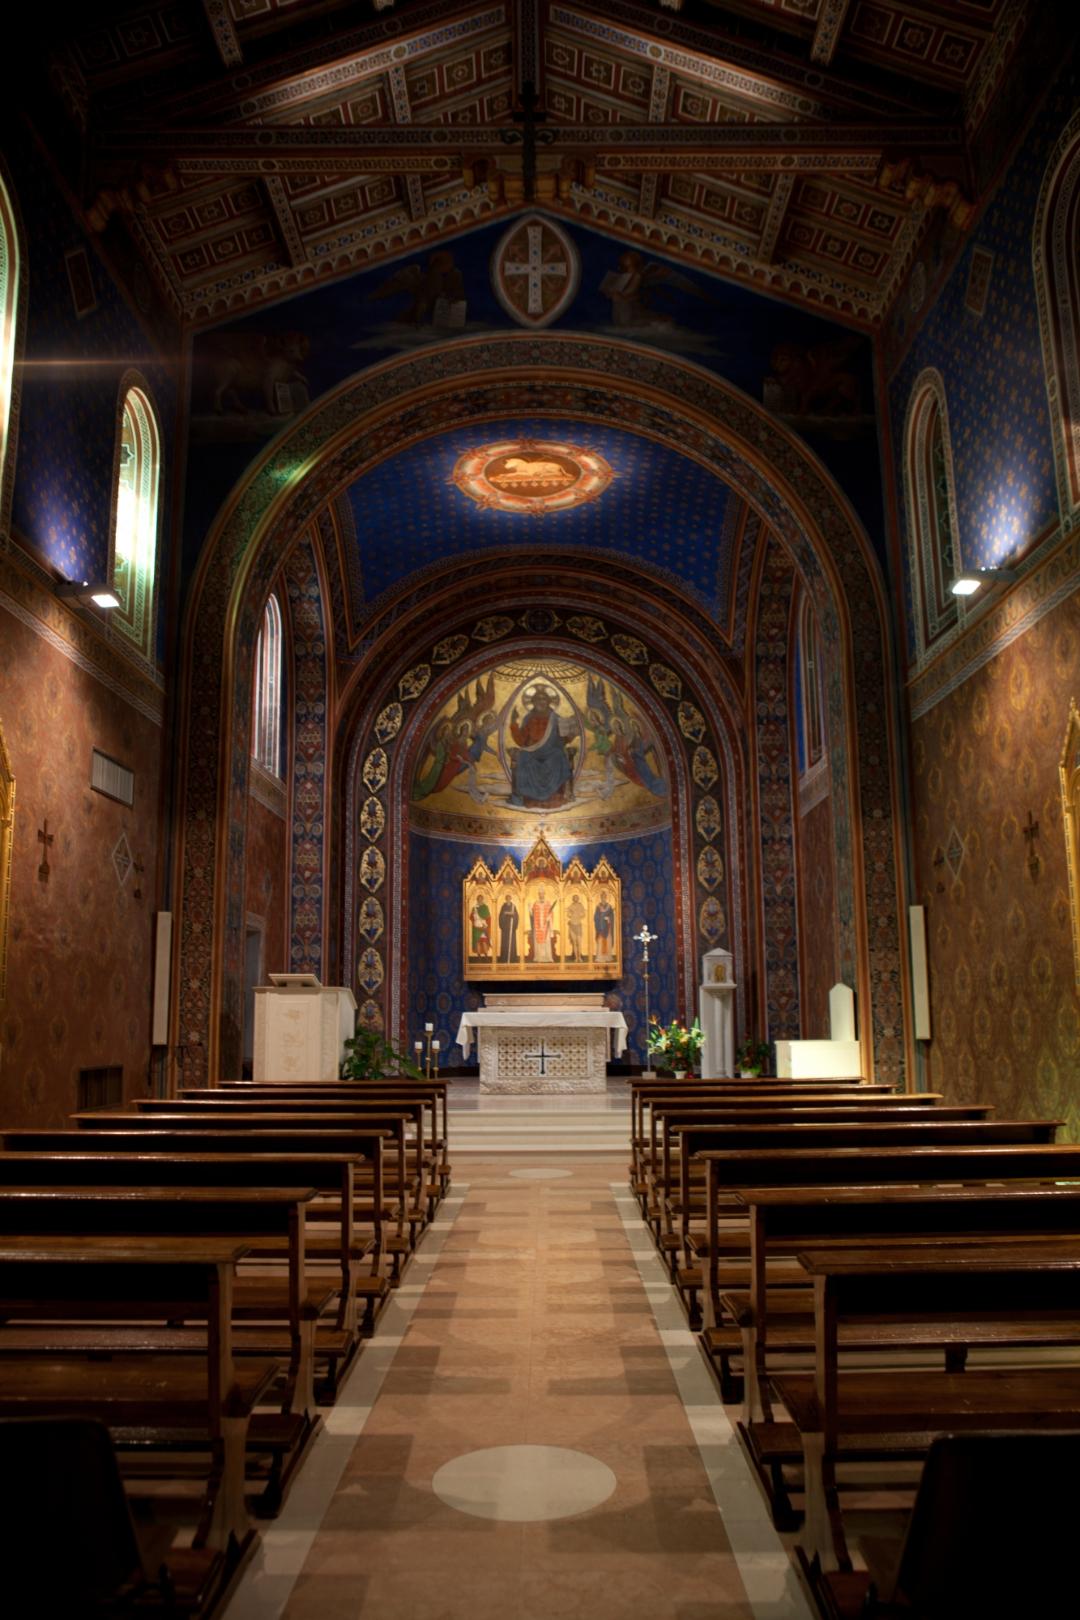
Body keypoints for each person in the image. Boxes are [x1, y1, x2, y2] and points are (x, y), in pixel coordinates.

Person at [509, 685, 575, 808]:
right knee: (524, 756)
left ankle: (556, 796)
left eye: (544, 699)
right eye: (538, 699)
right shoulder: (529, 718)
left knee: (559, 756)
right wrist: (514, 724)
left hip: (551, 752)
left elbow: (564, 739)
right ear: (533, 702)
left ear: (549, 702)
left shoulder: (555, 718)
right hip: (532, 752)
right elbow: (521, 740)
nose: (541, 702)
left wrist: (571, 731)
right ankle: (527, 797)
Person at [530, 885, 556, 964]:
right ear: (538, 894)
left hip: (546, 926)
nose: (541, 895)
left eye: (542, 893)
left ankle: (548, 957)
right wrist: (529, 909)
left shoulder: (548, 903)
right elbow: (532, 915)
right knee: (538, 942)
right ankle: (539, 958)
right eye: (540, 894)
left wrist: (549, 918)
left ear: (544, 894)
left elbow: (551, 913)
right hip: (538, 926)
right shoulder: (536, 903)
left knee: (546, 941)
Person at [594, 890, 615, 962]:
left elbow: (612, 916)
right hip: (600, 927)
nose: (603, 898)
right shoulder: (598, 906)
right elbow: (595, 917)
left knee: (608, 940)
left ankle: (607, 957)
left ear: (606, 897)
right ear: (600, 898)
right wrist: (600, 918)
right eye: (602, 897)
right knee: (600, 941)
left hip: (607, 927)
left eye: (604, 896)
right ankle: (600, 958)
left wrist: (609, 918)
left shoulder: (609, 907)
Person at [497, 895, 519, 963]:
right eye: (507, 899)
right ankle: (504, 958)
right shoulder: (503, 906)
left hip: (512, 927)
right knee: (505, 942)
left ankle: (512, 958)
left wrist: (513, 915)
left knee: (512, 942)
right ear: (505, 899)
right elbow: (500, 916)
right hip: (505, 927)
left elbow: (517, 916)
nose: (508, 900)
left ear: (511, 899)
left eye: (509, 898)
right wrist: (505, 914)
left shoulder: (513, 906)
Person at [567, 893, 586, 962]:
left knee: (579, 942)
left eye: (576, 898)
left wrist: (579, 914)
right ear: (573, 899)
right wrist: (571, 914)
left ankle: (580, 957)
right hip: (572, 925)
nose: (575, 899)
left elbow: (583, 914)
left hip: (578, 925)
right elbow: (568, 914)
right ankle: (576, 957)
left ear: (578, 899)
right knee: (574, 942)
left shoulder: (580, 906)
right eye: (574, 898)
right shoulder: (570, 906)